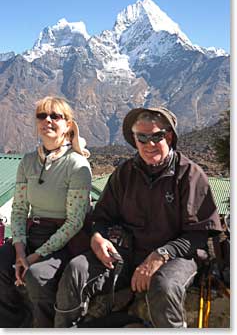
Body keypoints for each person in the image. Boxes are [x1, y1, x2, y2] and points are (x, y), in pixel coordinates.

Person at [54, 106, 222, 328]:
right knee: (77, 269)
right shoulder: (124, 173)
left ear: (169, 136)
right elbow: (102, 217)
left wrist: (160, 255)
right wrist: (97, 237)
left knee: (164, 286)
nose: (149, 144)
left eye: (157, 136)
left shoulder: (190, 175)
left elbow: (199, 235)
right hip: (126, 252)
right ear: (134, 139)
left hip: (177, 256)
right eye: (142, 138)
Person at [0, 96, 92, 328]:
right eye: (42, 116)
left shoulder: (77, 165)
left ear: (68, 125)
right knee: (2, 262)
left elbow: (74, 222)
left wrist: (34, 257)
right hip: (34, 231)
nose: (47, 120)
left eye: (55, 116)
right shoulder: (28, 161)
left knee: (37, 276)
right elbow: (20, 209)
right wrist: (20, 250)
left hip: (64, 240)